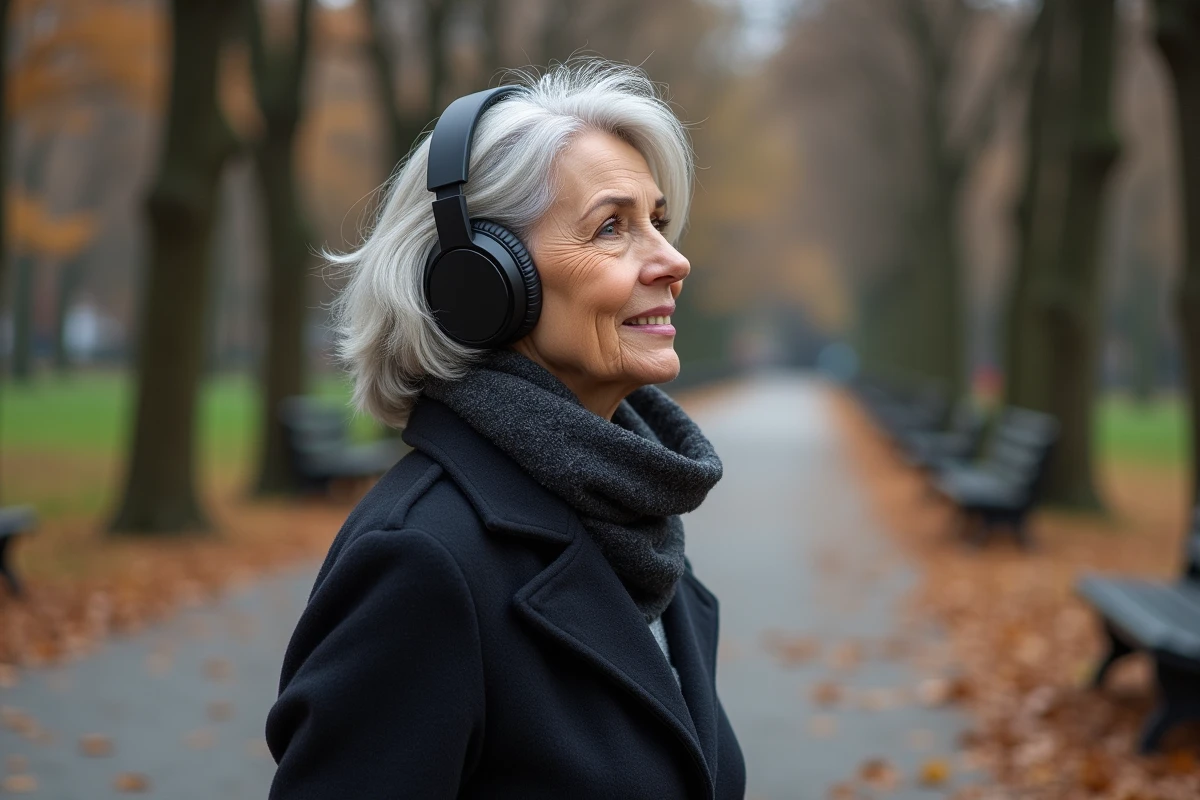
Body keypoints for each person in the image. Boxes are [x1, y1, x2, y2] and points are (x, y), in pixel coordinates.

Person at [265, 59, 745, 799]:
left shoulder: (637, 522)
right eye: (612, 227)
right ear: (482, 283)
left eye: (660, 221)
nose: (673, 260)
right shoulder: (421, 562)